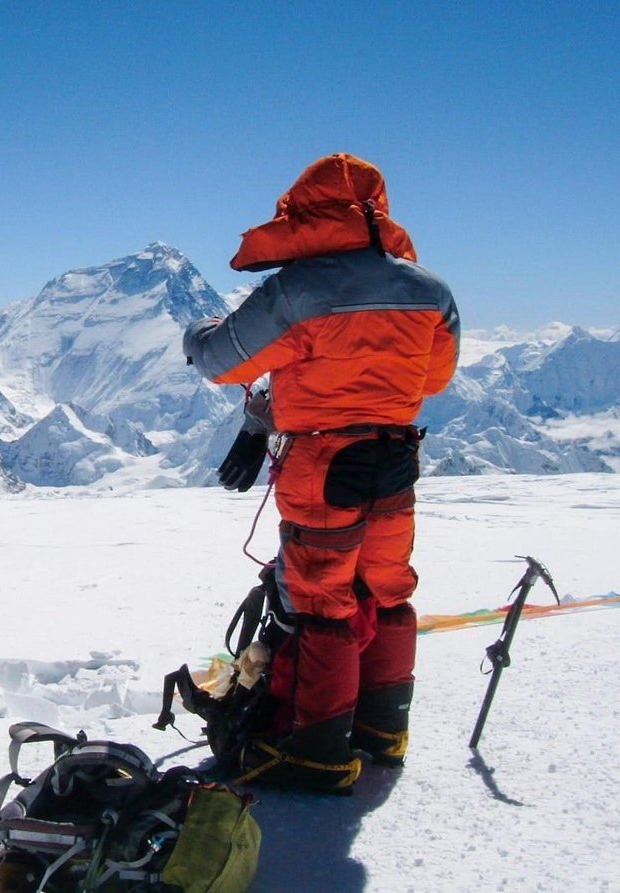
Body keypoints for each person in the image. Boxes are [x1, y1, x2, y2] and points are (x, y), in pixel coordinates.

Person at [182, 153, 460, 792]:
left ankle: (314, 750)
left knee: (320, 603)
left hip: (323, 462)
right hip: (396, 458)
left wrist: (199, 331)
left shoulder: (300, 291)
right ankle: (384, 730)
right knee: (387, 588)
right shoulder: (430, 291)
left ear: (304, 216)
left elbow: (224, 359)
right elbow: (435, 379)